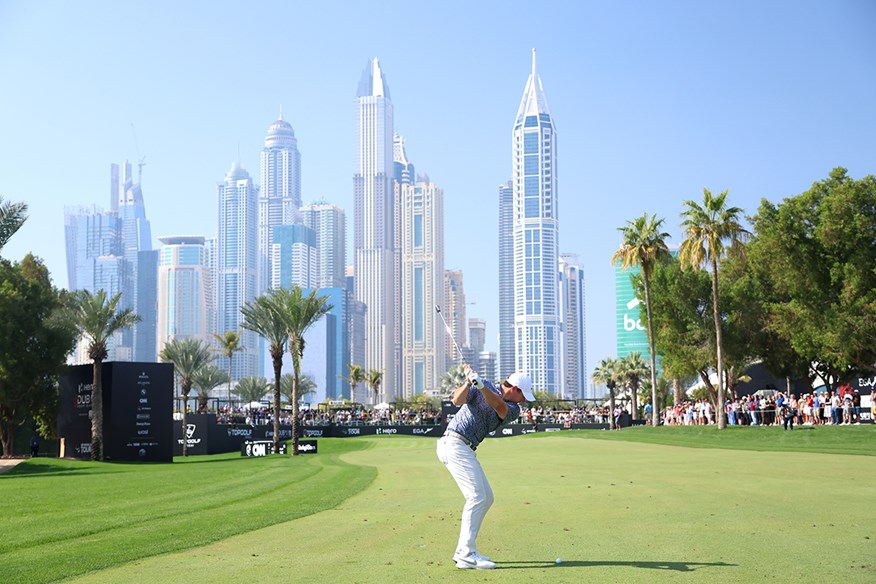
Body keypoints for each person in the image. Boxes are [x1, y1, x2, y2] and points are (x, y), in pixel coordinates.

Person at [436, 364, 535, 570]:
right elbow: (456, 400)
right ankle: (466, 553)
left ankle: (465, 551)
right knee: (477, 497)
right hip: (454, 443)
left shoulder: (513, 409)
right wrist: (468, 382)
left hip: (466, 448)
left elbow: (499, 406)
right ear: (515, 389)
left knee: (486, 497)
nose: (524, 400)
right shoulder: (483, 385)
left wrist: (480, 385)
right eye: (523, 395)